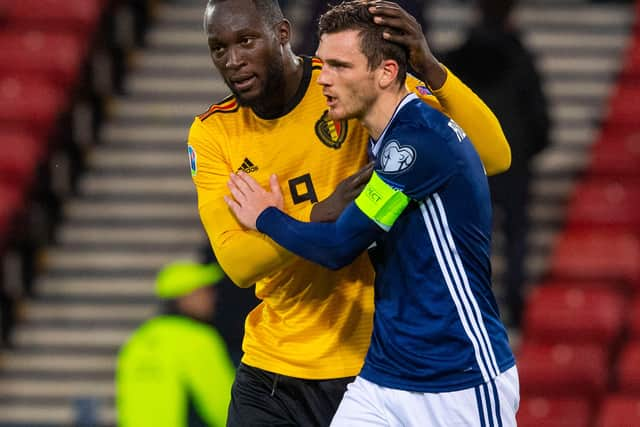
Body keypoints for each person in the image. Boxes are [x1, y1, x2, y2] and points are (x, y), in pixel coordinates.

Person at [189, 0, 511, 424]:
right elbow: (238, 263)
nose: (233, 60)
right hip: (272, 368)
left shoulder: (347, 84)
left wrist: (431, 68)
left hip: (369, 364)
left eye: (246, 41)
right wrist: (321, 212)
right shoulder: (213, 133)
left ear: (282, 33)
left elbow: (490, 156)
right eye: (218, 48)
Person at [441, 0, 550, 328]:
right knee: (515, 236)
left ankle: (470, 307)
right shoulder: (522, 59)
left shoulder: (456, 60)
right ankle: (515, 307)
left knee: (469, 238)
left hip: (466, 163)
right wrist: (531, 150)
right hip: (514, 164)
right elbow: (540, 117)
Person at [116, 261, 235, 427]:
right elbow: (225, 407)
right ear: (185, 297)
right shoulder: (197, 338)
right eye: (204, 290)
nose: (212, 296)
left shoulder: (139, 339)